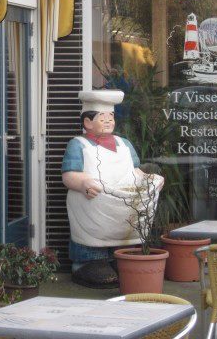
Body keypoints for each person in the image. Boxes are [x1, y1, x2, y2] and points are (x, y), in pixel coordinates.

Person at [61, 90, 163, 288]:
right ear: (87, 122)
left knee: (122, 232)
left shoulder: (124, 144)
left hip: (120, 205)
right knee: (93, 235)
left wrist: (149, 179)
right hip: (92, 206)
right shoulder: (78, 145)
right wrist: (82, 183)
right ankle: (89, 263)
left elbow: (135, 171)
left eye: (111, 117)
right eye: (102, 117)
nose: (108, 121)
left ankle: (119, 258)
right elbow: (69, 175)